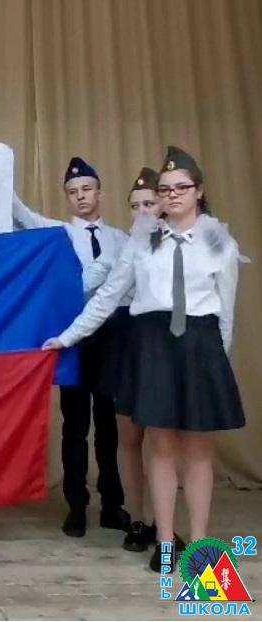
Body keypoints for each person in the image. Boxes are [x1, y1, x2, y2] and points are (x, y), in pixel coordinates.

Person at [44, 146, 244, 572]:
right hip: (152, 344)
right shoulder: (142, 242)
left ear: (199, 191)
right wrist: (67, 336)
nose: (172, 196)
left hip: (199, 345)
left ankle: (201, 544)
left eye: (181, 188)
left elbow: (226, 311)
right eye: (165, 190)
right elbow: (107, 297)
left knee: (198, 451)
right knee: (161, 446)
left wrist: (216, 364)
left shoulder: (219, 242)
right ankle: (165, 542)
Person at [13, 157, 131, 538]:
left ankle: (112, 505)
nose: (81, 197)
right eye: (73, 192)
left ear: (100, 192)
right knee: (75, 424)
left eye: (87, 189)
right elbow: (22, 217)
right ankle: (76, 506)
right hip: (74, 338)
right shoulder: (59, 235)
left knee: (110, 425)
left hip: (111, 338)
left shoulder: (122, 239)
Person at [108, 167, 162, 553]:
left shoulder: (185, 244)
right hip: (127, 340)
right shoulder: (125, 246)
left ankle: (163, 523)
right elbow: (105, 295)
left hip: (164, 344)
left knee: (162, 440)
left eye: (149, 203)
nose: (142, 211)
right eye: (134, 205)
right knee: (129, 436)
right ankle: (138, 519)